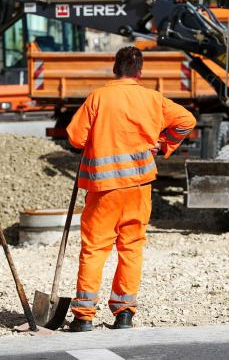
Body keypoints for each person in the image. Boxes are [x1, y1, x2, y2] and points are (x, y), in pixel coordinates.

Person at [65, 46, 197, 332]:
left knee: (95, 249)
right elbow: (187, 121)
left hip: (104, 189)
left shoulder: (99, 97)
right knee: (131, 249)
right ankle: (124, 313)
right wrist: (164, 142)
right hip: (139, 188)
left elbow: (75, 137)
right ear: (140, 71)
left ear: (115, 69)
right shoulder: (152, 98)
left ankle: (83, 316)